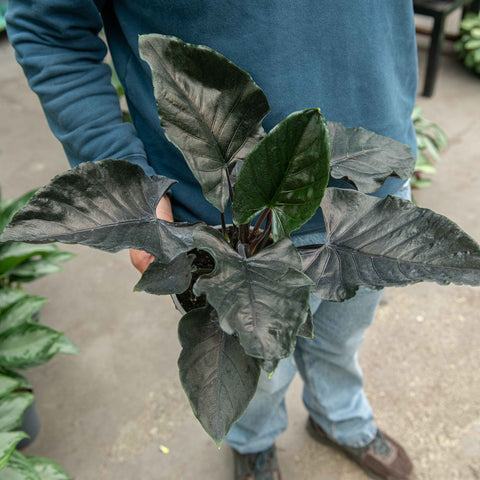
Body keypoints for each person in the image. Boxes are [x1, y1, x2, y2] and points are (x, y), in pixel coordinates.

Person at [6, 2, 418, 479]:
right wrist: (130, 182)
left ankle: (339, 416)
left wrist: (396, 127)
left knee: (342, 339)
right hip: (227, 233)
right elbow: (47, 24)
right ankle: (253, 441)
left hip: (373, 174)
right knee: (256, 379)